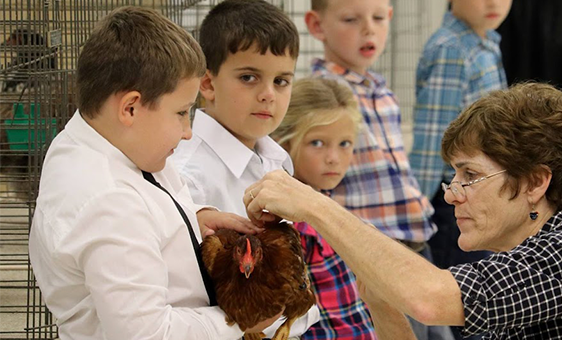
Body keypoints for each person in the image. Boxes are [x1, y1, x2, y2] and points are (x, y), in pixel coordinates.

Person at [243, 82, 562, 339]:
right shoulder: (511, 268)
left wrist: (312, 204)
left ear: (535, 182)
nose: (453, 195)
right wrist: (382, 300)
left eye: (470, 176)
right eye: (454, 177)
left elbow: (429, 299)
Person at [27, 7, 277, 340]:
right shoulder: (108, 202)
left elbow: (148, 204)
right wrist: (240, 321)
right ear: (130, 107)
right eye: (181, 113)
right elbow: (147, 334)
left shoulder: (106, 139)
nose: (188, 131)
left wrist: (192, 220)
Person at [169, 0, 320, 338]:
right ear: (206, 84)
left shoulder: (277, 160)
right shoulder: (186, 173)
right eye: (249, 77)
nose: (268, 94)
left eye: (281, 81)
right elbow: (185, 298)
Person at [304, 1, 451, 339]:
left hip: (416, 244)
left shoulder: (382, 92)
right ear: (316, 26)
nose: (368, 29)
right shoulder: (321, 95)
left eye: (378, 18)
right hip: (372, 255)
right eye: (351, 20)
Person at [409, 6, 512, 335]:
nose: (493, 3)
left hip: (484, 191)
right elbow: (434, 139)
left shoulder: (485, 42)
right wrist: (419, 209)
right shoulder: (452, 49)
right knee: (462, 302)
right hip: (452, 200)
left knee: (486, 290)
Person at [269, 77, 378, 339]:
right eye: (317, 143)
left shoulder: (328, 206)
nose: (334, 158)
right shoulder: (292, 225)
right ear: (284, 143)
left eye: (345, 144)